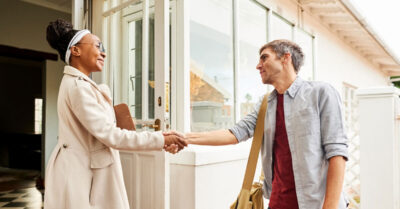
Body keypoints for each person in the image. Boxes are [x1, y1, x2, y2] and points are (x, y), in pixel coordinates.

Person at [185, 39, 349, 209]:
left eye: (264, 58)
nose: (258, 65)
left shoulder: (320, 93)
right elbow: (234, 134)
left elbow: (337, 152)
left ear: (286, 58)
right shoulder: (266, 105)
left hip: (316, 204)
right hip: (277, 203)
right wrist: (184, 138)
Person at [44, 19, 186, 209]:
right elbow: (111, 136)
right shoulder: (78, 87)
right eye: (97, 45)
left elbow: (108, 129)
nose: (103, 52)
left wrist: (162, 137)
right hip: (81, 175)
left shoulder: (82, 85)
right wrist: (160, 139)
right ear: (76, 50)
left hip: (85, 170)